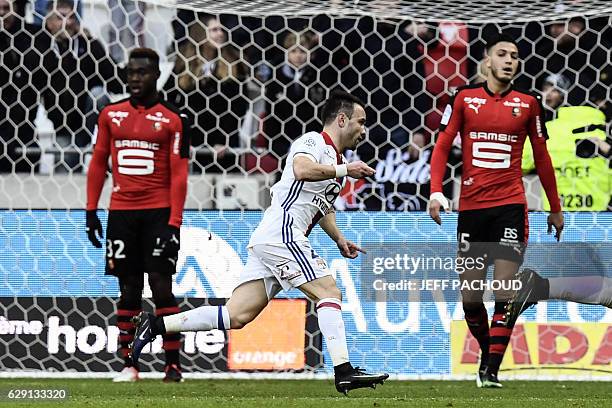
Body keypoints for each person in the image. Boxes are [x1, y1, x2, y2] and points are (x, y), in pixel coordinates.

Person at [130, 90, 389, 395]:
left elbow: (322, 207)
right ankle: (343, 371)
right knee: (329, 291)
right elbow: (301, 170)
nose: (364, 129)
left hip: (275, 238)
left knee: (236, 315)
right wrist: (347, 170)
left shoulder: (337, 162)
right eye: (361, 122)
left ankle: (156, 325)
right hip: (283, 233)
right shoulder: (313, 142)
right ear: (342, 119)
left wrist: (339, 238)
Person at [428, 33, 564, 388]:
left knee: (503, 290)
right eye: (502, 54)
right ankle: (491, 353)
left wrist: (555, 207)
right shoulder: (463, 98)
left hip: (510, 207)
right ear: (487, 61)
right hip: (471, 211)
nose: (509, 60)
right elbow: (442, 146)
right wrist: (436, 192)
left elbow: (543, 158)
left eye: (515, 56)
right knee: (471, 299)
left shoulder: (529, 103)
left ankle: (490, 370)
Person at [85, 48, 191, 382]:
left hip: (159, 213)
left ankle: (173, 365)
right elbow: (99, 161)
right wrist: (90, 210)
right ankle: (129, 365)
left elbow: (179, 174)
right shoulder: (110, 114)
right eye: (130, 72)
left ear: (156, 75)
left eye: (141, 72)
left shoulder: (173, 118)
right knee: (129, 291)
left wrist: (174, 223)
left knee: (161, 288)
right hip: (121, 214)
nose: (134, 78)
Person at [43, 0, 124, 172]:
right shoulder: (42, 48)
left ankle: (94, 139)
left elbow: (117, 83)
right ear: (49, 23)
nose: (69, 22)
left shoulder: (88, 46)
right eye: (61, 17)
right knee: (64, 176)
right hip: (62, 128)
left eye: (72, 17)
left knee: (98, 93)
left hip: (87, 122)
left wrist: (91, 43)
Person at [163, 13, 248, 173]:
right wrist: (181, 136)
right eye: (214, 30)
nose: (220, 33)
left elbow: (239, 106)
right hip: (192, 142)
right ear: (200, 33)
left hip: (223, 145)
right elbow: (167, 99)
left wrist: (225, 140)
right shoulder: (183, 65)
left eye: (221, 29)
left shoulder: (235, 64)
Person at [0, 0, 52, 172]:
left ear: (17, 9)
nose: (1, 13)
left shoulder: (35, 36)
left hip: (24, 125)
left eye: (6, 8)